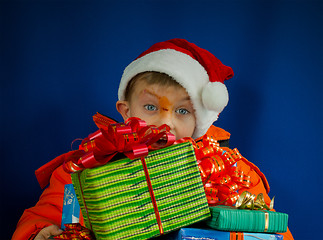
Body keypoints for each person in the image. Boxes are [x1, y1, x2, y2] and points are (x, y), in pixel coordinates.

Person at [12, 39, 294, 240]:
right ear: (126, 112)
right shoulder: (84, 169)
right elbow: (43, 217)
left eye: (182, 111)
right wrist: (40, 234)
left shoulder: (233, 174)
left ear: (200, 121)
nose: (165, 122)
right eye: (151, 108)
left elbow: (275, 232)